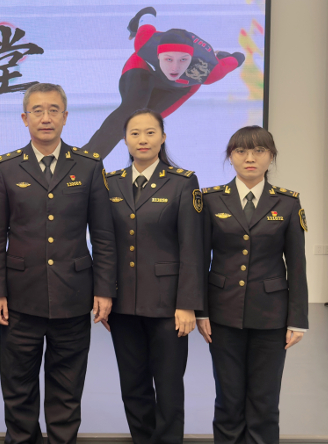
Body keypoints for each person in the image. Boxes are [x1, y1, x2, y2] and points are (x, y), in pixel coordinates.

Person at [0, 82, 116, 444]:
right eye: (38, 111)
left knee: (67, 388)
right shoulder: (6, 167)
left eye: (53, 110)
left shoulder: (89, 165)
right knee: (18, 387)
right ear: (25, 118)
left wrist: (104, 289)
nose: (46, 118)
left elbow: (103, 235)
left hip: (73, 296)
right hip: (19, 297)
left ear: (65, 116)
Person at [196, 126, 308, 444]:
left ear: (271, 157)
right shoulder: (211, 200)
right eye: (241, 151)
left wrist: (298, 319)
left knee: (264, 403)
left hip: (271, 316)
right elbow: (199, 260)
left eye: (259, 151)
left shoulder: (287, 203)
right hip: (222, 314)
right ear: (230, 157)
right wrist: (201, 311)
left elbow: (297, 266)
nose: (250, 158)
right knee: (228, 400)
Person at [103, 109, 204, 444]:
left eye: (150, 132)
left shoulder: (182, 182)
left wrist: (187, 304)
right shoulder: (111, 182)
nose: (142, 140)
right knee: (133, 386)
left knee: (169, 385)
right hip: (123, 305)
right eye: (135, 133)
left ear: (163, 137)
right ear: (125, 139)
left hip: (168, 305)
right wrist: (104, 295)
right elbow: (105, 244)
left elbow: (192, 247)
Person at [84, 7, 245, 158]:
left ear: (191, 59)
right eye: (169, 59)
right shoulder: (145, 43)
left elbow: (237, 59)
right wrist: (138, 22)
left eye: (183, 60)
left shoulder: (210, 71)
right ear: (158, 54)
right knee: (131, 110)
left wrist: (232, 57)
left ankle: (83, 158)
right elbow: (148, 13)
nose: (175, 68)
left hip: (180, 88)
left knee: (138, 123)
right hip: (144, 69)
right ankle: (86, 161)